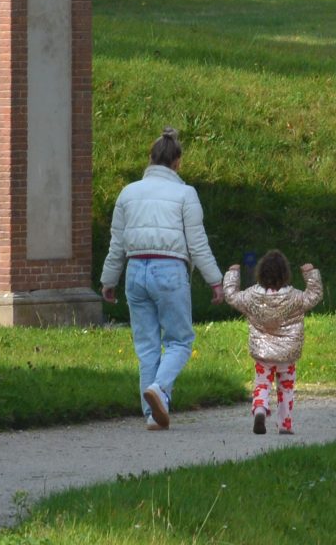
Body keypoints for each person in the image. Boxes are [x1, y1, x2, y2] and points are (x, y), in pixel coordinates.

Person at [98, 126, 224, 428]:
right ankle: (159, 388)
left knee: (147, 347)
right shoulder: (185, 194)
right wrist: (215, 281)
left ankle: (152, 414)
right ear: (177, 162)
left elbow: (118, 242)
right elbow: (197, 243)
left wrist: (108, 280)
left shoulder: (128, 193)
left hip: (135, 272)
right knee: (180, 341)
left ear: (150, 159)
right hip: (169, 271)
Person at [222, 249, 324, 435]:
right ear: (286, 274)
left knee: (262, 383)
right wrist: (310, 273)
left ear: (260, 273)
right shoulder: (294, 297)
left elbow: (232, 296)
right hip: (288, 354)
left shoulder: (251, 296)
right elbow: (314, 295)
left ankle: (260, 409)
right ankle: (285, 424)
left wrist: (232, 273)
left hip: (262, 354)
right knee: (286, 387)